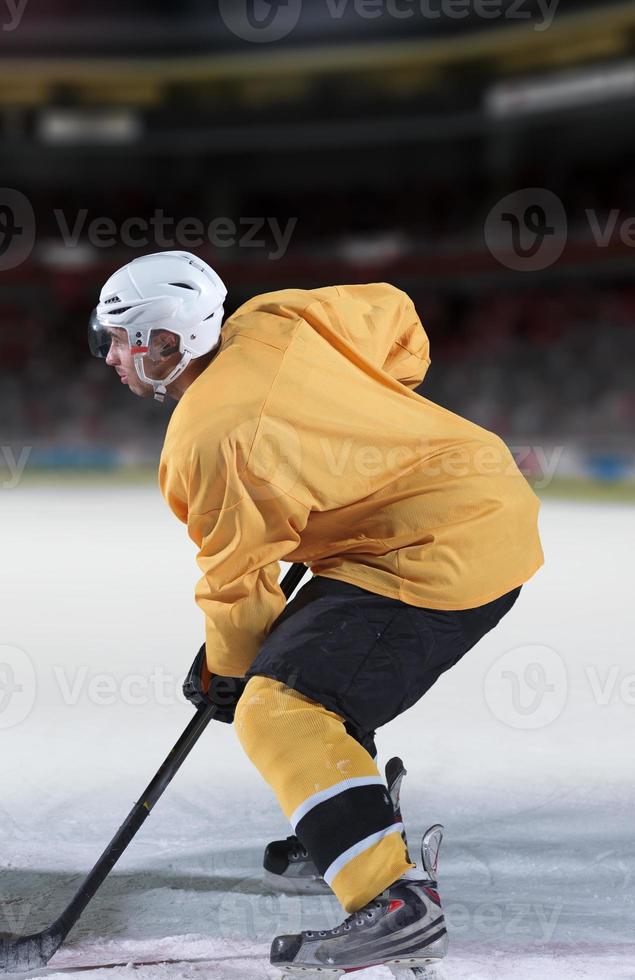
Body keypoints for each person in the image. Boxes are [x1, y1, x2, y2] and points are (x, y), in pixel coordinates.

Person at [88, 251, 542, 976]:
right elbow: (395, 314)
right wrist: (354, 422)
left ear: (168, 343)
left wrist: (227, 675)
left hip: (434, 548)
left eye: (119, 340)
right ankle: (352, 821)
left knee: (278, 704)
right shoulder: (275, 318)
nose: (109, 356)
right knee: (303, 658)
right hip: (460, 504)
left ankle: (395, 903)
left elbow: (238, 583)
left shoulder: (209, 436)